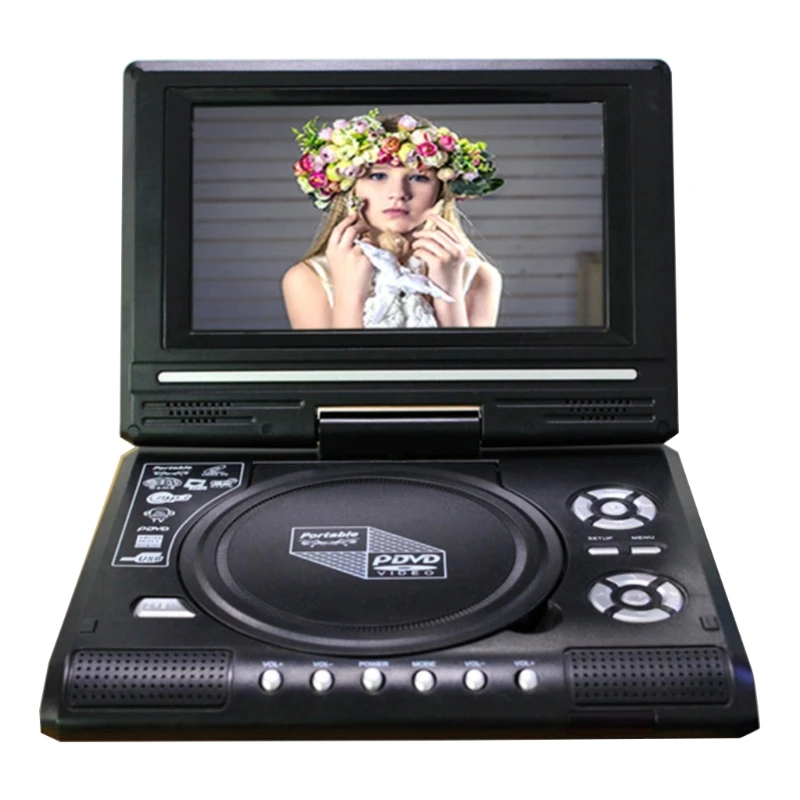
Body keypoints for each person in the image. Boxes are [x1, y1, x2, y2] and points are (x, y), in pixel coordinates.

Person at [282, 109, 504, 329]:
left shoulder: (478, 276)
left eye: (418, 178)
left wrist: (448, 293)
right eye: (378, 175)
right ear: (350, 187)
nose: (398, 193)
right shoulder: (308, 278)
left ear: (440, 190)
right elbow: (343, 354)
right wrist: (350, 294)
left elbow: (464, 355)